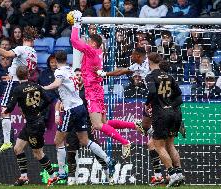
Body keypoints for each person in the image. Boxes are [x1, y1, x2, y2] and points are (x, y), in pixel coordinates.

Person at [70, 11, 143, 159]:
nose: (86, 43)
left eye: (88, 41)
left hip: (92, 91)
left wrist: (76, 24)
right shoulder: (98, 52)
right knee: (104, 122)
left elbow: (74, 41)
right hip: (97, 90)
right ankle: (134, 125)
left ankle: (125, 142)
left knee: (97, 125)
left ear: (93, 43)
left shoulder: (91, 51)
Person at [42, 51, 116, 185]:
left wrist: (44, 87)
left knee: (58, 141)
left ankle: (62, 173)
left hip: (71, 109)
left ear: (56, 60)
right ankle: (108, 159)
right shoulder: (70, 70)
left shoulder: (59, 71)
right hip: (81, 108)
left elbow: (57, 83)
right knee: (84, 140)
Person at [0, 26, 38, 153]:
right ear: (33, 40)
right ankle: (34, 135)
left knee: (4, 110)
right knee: (26, 112)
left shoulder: (21, 48)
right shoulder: (34, 53)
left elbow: (6, 54)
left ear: (24, 38)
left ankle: (7, 141)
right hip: (26, 84)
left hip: (14, 83)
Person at [3, 66, 58, 186]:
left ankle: (53, 176)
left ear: (17, 76)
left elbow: (11, 107)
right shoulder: (37, 86)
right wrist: (39, 109)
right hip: (33, 123)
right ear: (28, 75)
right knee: (17, 148)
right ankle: (24, 177)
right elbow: (49, 100)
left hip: (35, 125)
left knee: (38, 154)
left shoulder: (18, 89)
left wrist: (4, 111)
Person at [56, 68, 110, 185]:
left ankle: (107, 172)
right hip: (71, 125)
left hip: (86, 124)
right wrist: (56, 115)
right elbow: (58, 103)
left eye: (81, 74)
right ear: (74, 77)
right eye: (77, 75)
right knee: (71, 151)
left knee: (95, 149)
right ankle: (71, 177)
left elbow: (97, 106)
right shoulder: (70, 90)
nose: (79, 76)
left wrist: (96, 122)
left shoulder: (88, 91)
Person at [145, 58, 185, 187]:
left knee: (158, 146)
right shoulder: (170, 77)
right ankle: (178, 174)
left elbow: (151, 92)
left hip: (161, 115)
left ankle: (172, 175)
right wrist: (171, 107)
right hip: (175, 113)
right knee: (170, 144)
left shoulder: (151, 77)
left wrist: (147, 104)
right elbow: (179, 96)